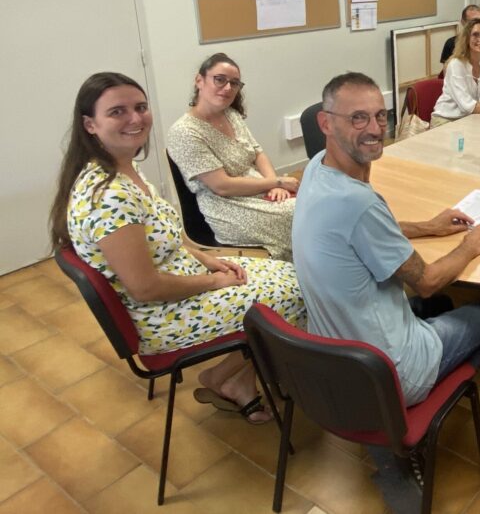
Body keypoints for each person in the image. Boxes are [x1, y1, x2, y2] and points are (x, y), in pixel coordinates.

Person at [50, 73, 305, 424]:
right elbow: (145, 287)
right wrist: (213, 282)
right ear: (90, 125)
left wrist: (208, 261)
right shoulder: (110, 197)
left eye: (140, 107)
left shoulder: (125, 169)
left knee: (294, 275)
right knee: (299, 294)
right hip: (162, 315)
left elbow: (170, 236)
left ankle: (236, 379)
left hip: (185, 278)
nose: (135, 119)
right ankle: (225, 378)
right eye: (118, 112)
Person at [293, 71, 480, 405]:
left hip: (335, 355)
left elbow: (360, 233)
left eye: (380, 116)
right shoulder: (358, 203)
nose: (376, 129)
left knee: (436, 307)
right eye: (358, 118)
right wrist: (469, 246)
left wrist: (427, 226)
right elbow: (428, 281)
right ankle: (432, 408)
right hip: (388, 372)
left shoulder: (317, 167)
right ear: (325, 123)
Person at [167, 53, 296, 260]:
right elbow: (222, 186)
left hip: (257, 189)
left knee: (312, 205)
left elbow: (258, 152)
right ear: (199, 80)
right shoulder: (185, 132)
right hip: (228, 208)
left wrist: (275, 185)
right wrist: (276, 181)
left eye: (234, 83)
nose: (227, 88)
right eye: (219, 79)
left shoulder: (230, 114)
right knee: (303, 214)